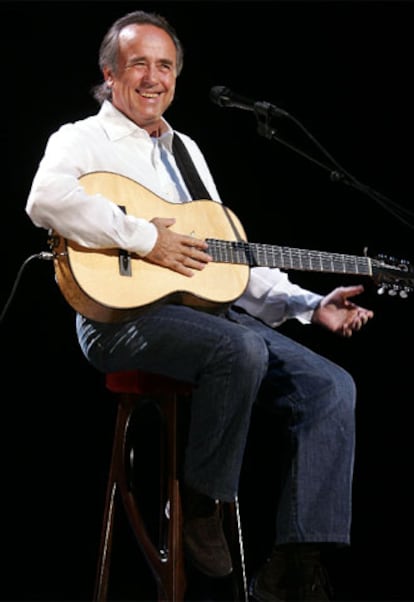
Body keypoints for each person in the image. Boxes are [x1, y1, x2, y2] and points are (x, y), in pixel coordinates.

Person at [25, 10, 374, 601]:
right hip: (118, 320)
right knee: (237, 349)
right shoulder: (79, 138)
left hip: (202, 314)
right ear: (110, 74)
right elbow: (46, 199)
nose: (153, 77)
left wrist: (310, 306)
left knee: (333, 387)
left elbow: (227, 253)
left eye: (166, 65)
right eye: (139, 63)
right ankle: (204, 503)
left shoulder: (185, 150)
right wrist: (146, 238)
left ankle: (295, 561)